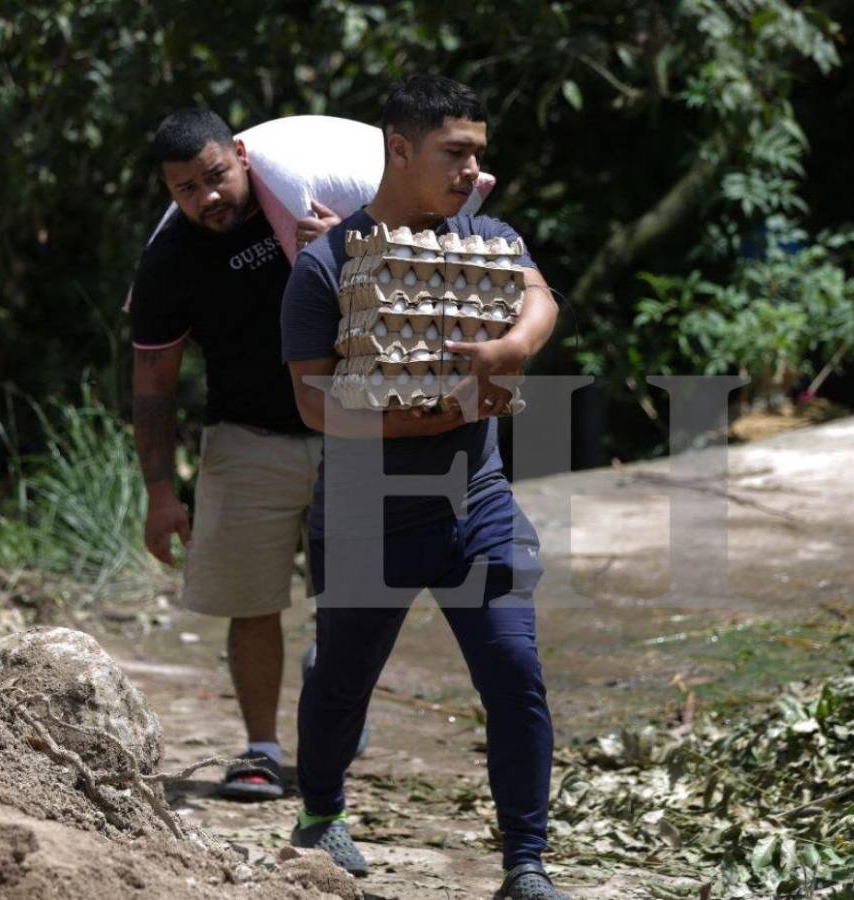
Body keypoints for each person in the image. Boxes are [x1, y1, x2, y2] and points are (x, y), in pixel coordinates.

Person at [281, 76, 571, 900]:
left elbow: (540, 295)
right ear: (399, 149)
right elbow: (311, 397)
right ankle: (320, 811)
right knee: (342, 678)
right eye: (456, 152)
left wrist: (510, 348)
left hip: (477, 501)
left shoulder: (486, 237)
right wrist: (427, 414)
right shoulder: (327, 264)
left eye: (477, 150)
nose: (472, 168)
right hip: (367, 512)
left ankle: (526, 864)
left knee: (515, 671)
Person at [128, 108, 347, 801]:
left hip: (356, 428)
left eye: (215, 176)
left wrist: (350, 251)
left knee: (358, 599)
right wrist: (160, 490)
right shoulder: (168, 263)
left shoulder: (319, 207)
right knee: (251, 604)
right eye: (185, 189)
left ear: (243, 158)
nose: (207, 197)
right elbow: (154, 386)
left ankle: (339, 711)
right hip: (247, 437)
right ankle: (260, 750)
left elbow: (415, 284)